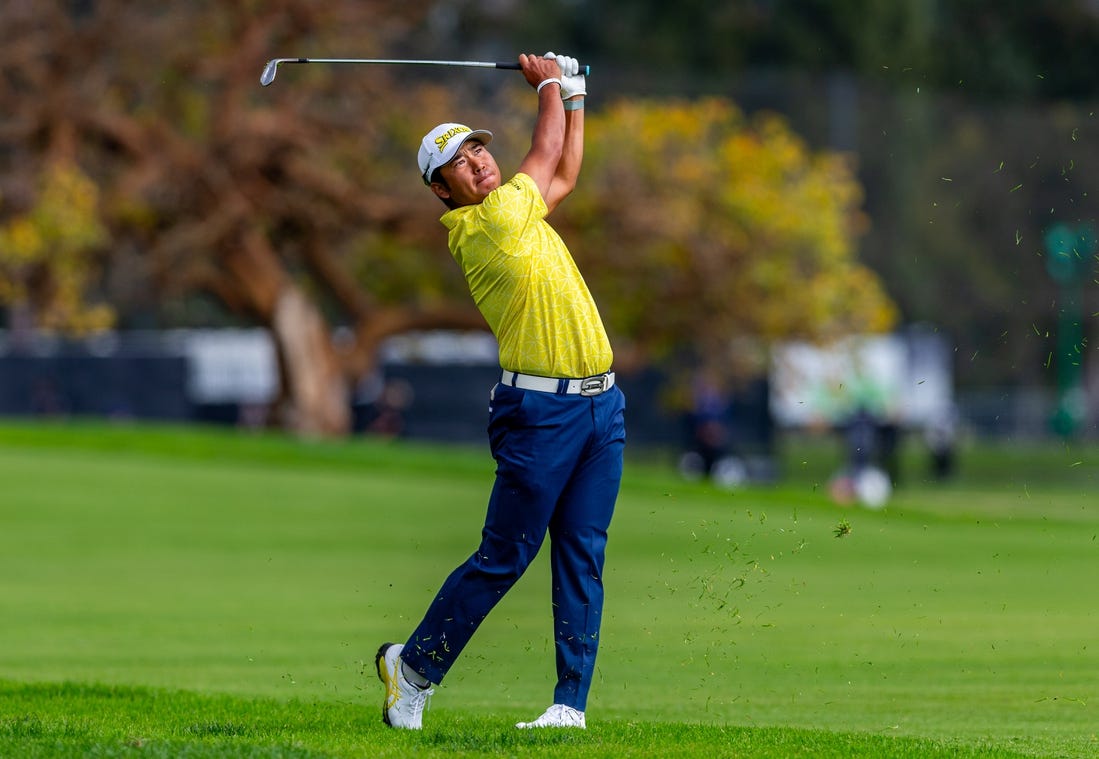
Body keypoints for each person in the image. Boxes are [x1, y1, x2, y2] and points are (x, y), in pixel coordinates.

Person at [374, 53, 626, 731]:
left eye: (479, 147)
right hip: (540, 414)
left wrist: (573, 95)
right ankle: (415, 668)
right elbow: (545, 152)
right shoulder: (484, 225)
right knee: (505, 554)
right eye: (460, 160)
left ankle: (568, 706)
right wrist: (548, 83)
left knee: (582, 554)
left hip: (602, 407)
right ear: (442, 189)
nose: (480, 161)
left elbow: (564, 170)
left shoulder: (519, 208)